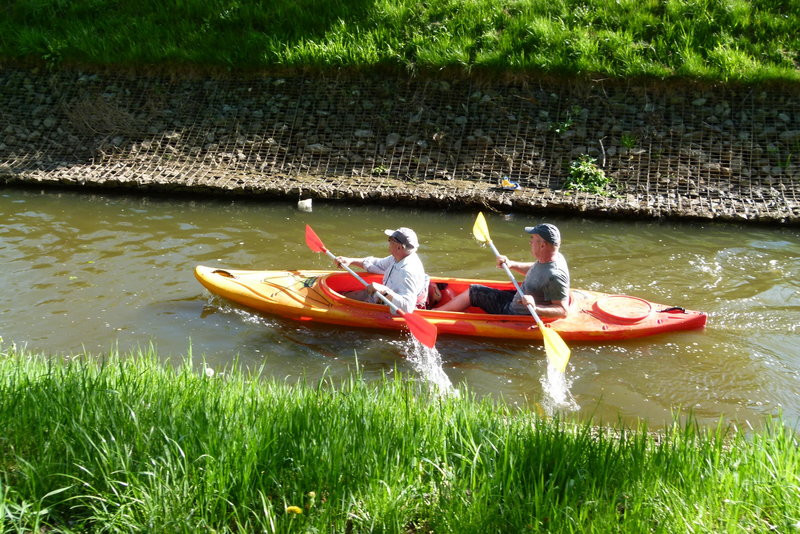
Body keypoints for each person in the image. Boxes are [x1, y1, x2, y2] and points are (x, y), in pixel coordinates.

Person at [435, 223, 570, 318]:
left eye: (532, 239)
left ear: (542, 245)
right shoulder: (551, 258)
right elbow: (536, 271)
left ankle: (436, 314)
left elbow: (563, 311)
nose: (530, 242)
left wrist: (535, 307)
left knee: (474, 292)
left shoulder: (555, 275)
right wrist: (511, 264)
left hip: (514, 312)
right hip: (519, 298)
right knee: (477, 291)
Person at [334, 227, 428, 314]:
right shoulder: (397, 257)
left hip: (394, 306)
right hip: (387, 296)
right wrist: (351, 260)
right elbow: (377, 265)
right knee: (348, 296)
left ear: (399, 247)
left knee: (344, 305)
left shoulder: (407, 272)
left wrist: (384, 290)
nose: (388, 243)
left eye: (390, 240)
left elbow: (407, 308)